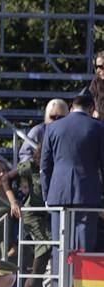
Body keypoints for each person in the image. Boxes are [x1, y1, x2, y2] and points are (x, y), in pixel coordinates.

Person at [41, 92, 104, 253]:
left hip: (57, 193)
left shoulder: (52, 127)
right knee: (84, 246)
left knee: (59, 245)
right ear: (91, 108)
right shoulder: (99, 127)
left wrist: (46, 194)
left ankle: (58, 279)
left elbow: (45, 165)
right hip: (87, 193)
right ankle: (80, 279)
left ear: (71, 107)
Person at [2, 136, 52, 287]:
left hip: (49, 214)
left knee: (50, 247)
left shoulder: (58, 166)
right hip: (32, 214)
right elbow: (6, 179)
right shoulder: (31, 167)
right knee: (48, 242)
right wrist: (13, 201)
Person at [17, 99, 67, 165]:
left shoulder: (70, 132)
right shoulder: (38, 131)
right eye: (53, 117)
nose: (56, 121)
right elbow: (25, 155)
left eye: (60, 118)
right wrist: (37, 164)